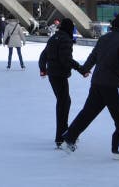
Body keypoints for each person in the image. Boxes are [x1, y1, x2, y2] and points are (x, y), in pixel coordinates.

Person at [61, 12, 119, 160]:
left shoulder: (104, 38)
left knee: (88, 113)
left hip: (97, 83)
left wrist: (84, 68)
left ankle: (69, 137)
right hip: (113, 85)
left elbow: (93, 56)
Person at [38, 18, 85, 148]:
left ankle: (63, 134)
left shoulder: (54, 38)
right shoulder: (65, 39)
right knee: (64, 103)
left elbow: (43, 55)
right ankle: (61, 137)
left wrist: (43, 69)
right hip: (59, 74)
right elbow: (66, 59)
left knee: (64, 102)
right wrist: (81, 69)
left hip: (53, 74)